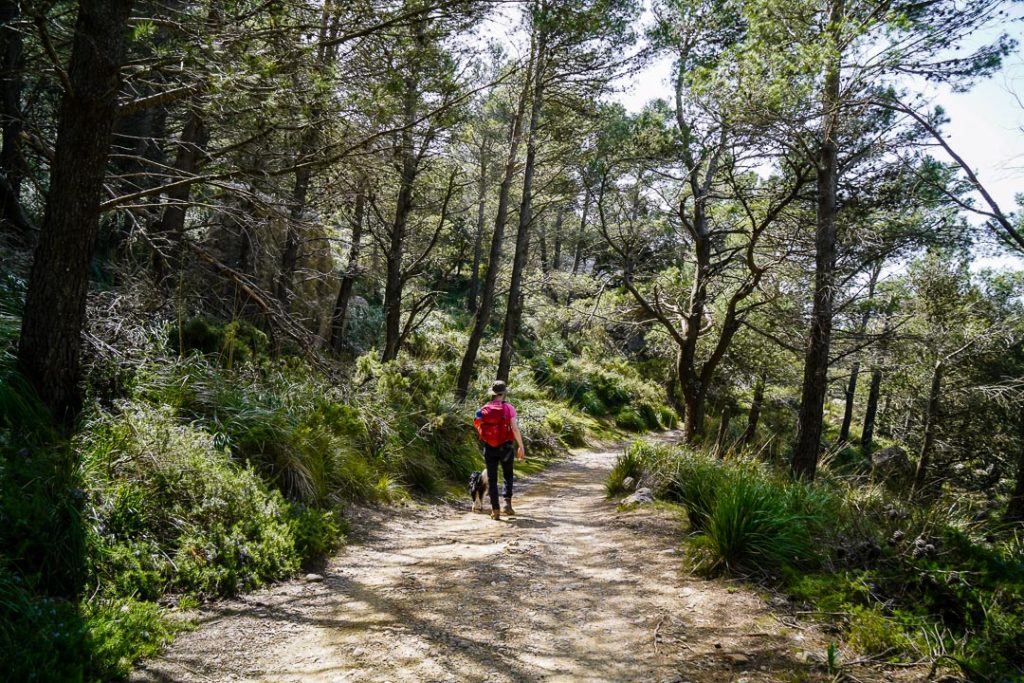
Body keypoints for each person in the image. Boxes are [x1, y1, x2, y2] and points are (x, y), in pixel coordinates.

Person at [474, 380, 525, 520]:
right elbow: (514, 428)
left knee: (492, 478)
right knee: (508, 474)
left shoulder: (483, 408)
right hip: (506, 446)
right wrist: (521, 446)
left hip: (490, 447)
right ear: (503, 394)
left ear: (493, 393)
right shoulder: (509, 408)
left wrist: (487, 436)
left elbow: (477, 424)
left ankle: (495, 510)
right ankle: (507, 505)